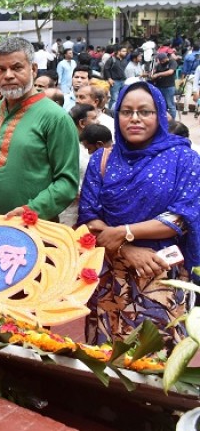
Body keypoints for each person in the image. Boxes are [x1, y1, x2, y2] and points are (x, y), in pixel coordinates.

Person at [78, 81, 200, 346]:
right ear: (117, 115)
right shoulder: (102, 159)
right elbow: (89, 218)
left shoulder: (183, 159)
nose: (135, 119)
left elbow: (182, 216)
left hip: (160, 272)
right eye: (126, 111)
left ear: (160, 115)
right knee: (105, 356)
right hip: (110, 276)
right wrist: (126, 250)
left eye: (145, 112)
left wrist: (125, 232)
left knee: (154, 360)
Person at [0, 37, 79, 221]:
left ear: (33, 69)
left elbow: (67, 182)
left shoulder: (56, 118)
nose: (8, 75)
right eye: (1, 69)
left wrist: (31, 210)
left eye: (16, 68)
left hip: (34, 230)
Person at [150, 52, 178, 119]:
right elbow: (154, 73)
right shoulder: (159, 65)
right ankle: (163, 118)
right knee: (161, 104)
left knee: (170, 105)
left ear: (166, 58)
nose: (161, 62)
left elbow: (170, 72)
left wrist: (158, 74)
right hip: (160, 86)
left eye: (162, 60)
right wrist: (152, 74)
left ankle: (172, 120)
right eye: (160, 60)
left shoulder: (172, 62)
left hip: (169, 86)